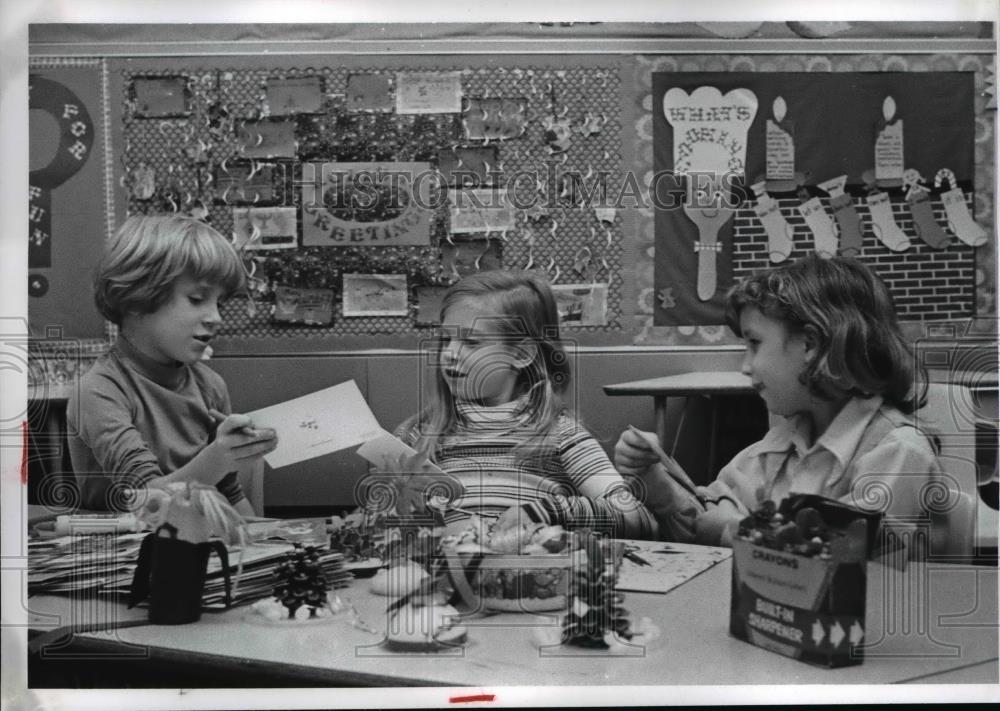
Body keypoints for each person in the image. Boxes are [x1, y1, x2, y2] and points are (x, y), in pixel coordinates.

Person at [615, 254, 944, 549]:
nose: (746, 367)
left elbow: (835, 563)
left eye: (755, 343)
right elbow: (705, 519)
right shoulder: (785, 440)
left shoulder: (899, 450)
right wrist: (659, 485)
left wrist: (734, 527)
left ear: (811, 345)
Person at [387, 270, 658, 540]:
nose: (448, 354)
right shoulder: (416, 435)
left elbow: (640, 520)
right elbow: (386, 527)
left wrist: (547, 511)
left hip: (527, 576)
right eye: (446, 339)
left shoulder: (561, 435)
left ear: (521, 353)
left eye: (471, 342)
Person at [67, 215, 277, 516]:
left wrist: (267, 542)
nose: (216, 317)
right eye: (197, 299)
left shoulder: (210, 385)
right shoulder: (100, 390)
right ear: (137, 299)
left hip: (194, 549)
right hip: (120, 555)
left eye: (220, 302)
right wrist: (218, 459)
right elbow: (144, 501)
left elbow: (230, 495)